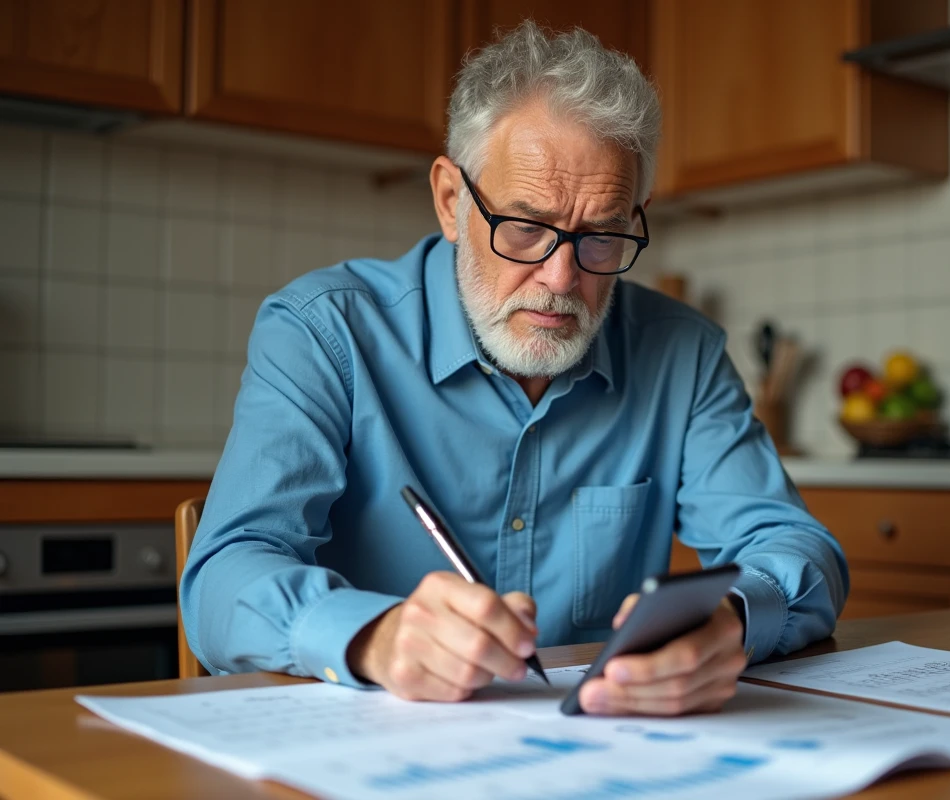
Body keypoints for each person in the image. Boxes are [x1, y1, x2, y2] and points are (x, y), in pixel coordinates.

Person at [181, 21, 847, 717]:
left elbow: (798, 550)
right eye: (526, 228)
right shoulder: (325, 332)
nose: (561, 279)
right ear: (451, 201)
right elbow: (223, 578)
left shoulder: (684, 352)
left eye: (602, 236)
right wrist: (376, 638)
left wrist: (733, 621)